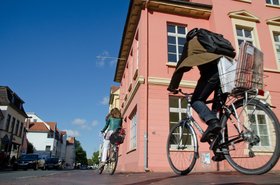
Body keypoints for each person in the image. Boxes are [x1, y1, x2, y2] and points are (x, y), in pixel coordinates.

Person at [167, 28, 224, 143]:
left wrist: (173, 86)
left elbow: (181, 66)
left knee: (196, 101)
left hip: (212, 74)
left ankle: (212, 123)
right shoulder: (213, 41)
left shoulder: (191, 43)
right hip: (227, 72)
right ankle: (221, 148)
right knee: (217, 113)